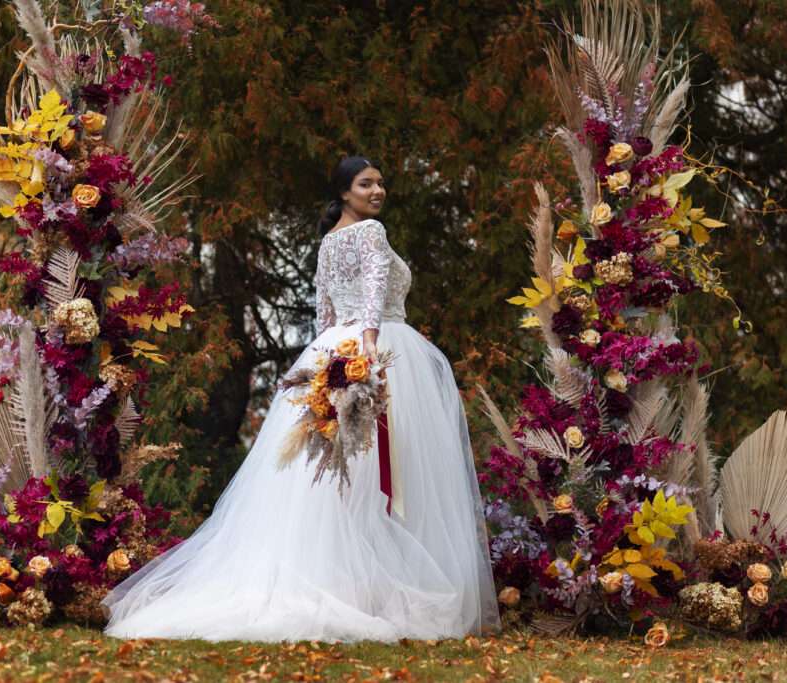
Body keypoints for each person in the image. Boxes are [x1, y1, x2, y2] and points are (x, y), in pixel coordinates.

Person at [103, 156, 500, 642]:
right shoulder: (371, 233)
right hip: (379, 344)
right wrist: (370, 342)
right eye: (366, 184)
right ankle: (379, 585)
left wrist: (322, 365)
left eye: (380, 182)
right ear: (345, 192)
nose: (377, 191)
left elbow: (324, 314)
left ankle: (349, 579)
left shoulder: (328, 243)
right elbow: (372, 290)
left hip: (334, 348)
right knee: (377, 466)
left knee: (339, 476)